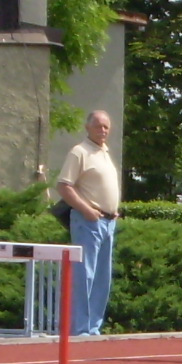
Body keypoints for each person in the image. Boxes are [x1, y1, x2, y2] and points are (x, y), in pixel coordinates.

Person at [55, 109, 120, 336]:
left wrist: (113, 211)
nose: (102, 130)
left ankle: (93, 328)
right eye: (98, 126)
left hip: (108, 222)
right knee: (85, 275)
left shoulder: (104, 153)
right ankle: (79, 328)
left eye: (106, 127)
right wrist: (87, 209)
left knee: (102, 277)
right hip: (87, 221)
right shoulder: (79, 152)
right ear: (87, 127)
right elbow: (63, 185)